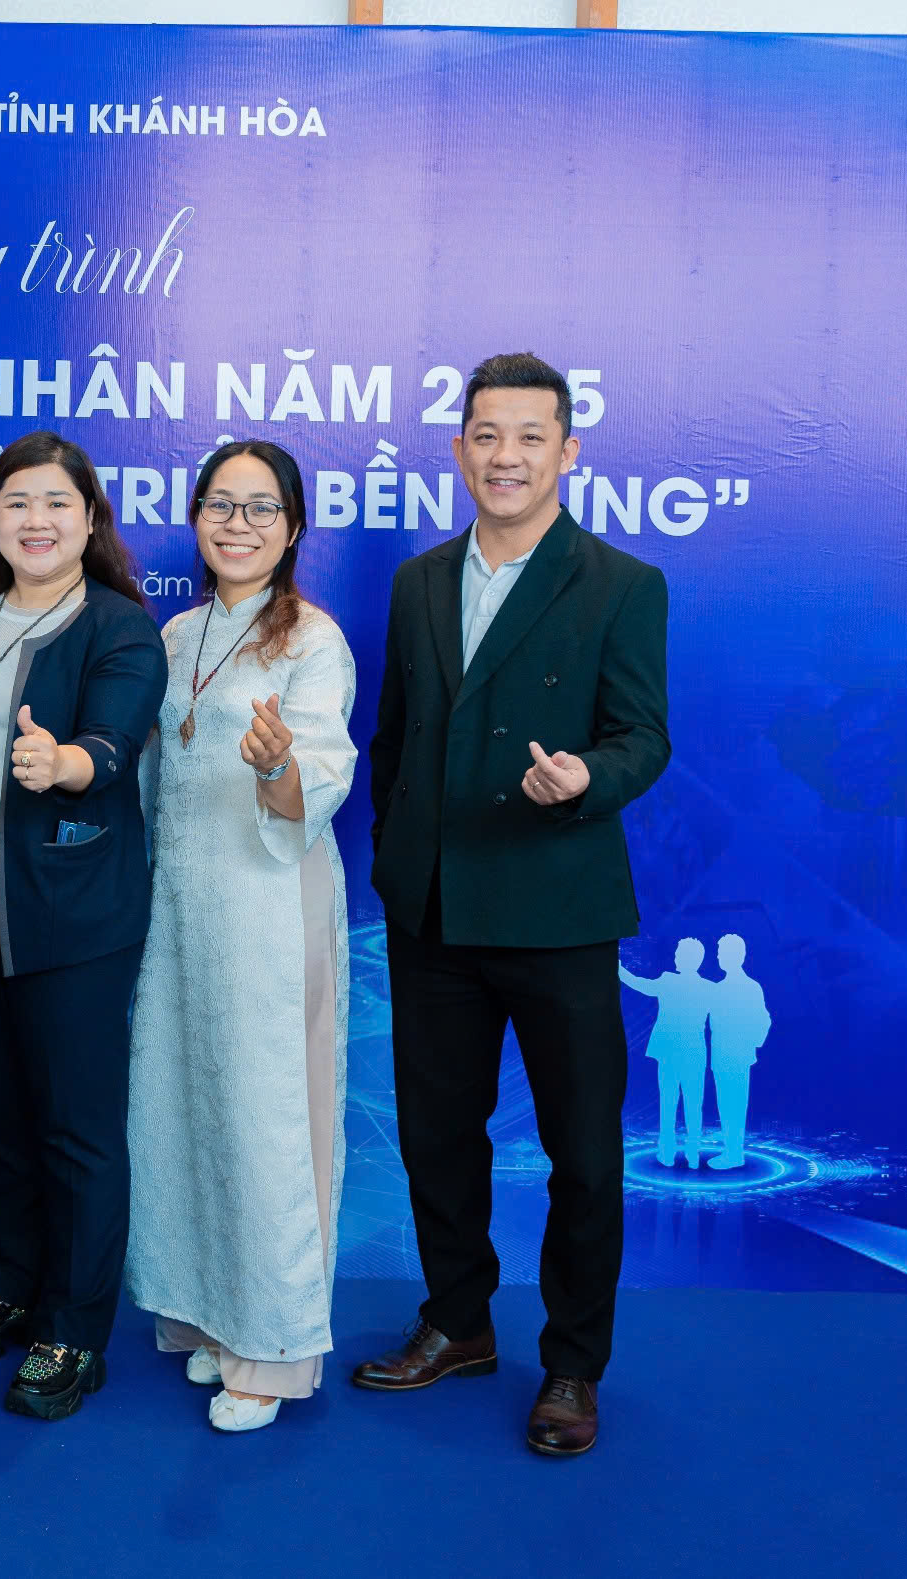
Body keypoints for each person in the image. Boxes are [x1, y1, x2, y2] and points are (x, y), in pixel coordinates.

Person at [351, 351, 671, 1459]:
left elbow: (643, 735)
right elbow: (395, 741)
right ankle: (458, 1321)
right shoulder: (418, 581)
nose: (506, 455)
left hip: (557, 907)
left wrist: (587, 779)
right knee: (438, 1136)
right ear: (459, 450)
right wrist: (395, 857)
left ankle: (573, 1363)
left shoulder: (621, 583)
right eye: (486, 434)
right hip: (432, 911)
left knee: (582, 1153)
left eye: (531, 436)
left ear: (567, 451)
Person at [0, 432, 166, 1421]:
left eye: (58, 503)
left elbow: (111, 742)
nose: (37, 520)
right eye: (17, 502)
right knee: (5, 1114)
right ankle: (12, 1286)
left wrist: (62, 764)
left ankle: (74, 1329)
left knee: (76, 1127)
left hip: (68, 907)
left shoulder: (119, 627)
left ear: (90, 519)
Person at [125, 439, 358, 1434]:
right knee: (184, 1106)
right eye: (221, 504)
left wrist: (274, 766)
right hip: (182, 910)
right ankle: (212, 1314)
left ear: (293, 528)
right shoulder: (176, 634)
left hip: (268, 905)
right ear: (195, 518)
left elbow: (320, 775)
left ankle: (272, 1345)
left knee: (266, 1122)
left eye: (262, 508)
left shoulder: (313, 640)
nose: (238, 524)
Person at [620, 938, 710, 1169]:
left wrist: (619, 969)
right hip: (694, 1053)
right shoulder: (708, 988)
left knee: (668, 1103)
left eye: (679, 953)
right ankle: (692, 1154)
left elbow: (640, 984)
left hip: (670, 1053)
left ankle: (667, 1152)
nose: (676, 957)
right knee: (693, 1104)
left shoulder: (668, 980)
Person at [705, 935, 771, 1168]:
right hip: (722, 1055)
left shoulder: (750, 987)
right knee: (726, 1105)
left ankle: (734, 1155)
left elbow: (763, 1020)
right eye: (719, 953)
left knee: (734, 1104)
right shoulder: (718, 989)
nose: (720, 957)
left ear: (739, 956)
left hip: (737, 1055)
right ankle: (731, 1151)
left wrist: (749, 1044)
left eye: (724, 953)